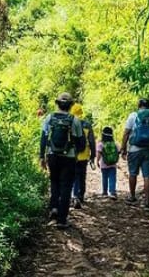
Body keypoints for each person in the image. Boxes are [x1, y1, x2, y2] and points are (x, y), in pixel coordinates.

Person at [39, 92, 84, 229]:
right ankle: (62, 219)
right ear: (70, 105)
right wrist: (77, 151)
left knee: (54, 181)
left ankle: (54, 208)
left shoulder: (49, 118)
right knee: (66, 186)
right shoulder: (74, 120)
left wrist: (42, 156)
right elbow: (80, 142)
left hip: (52, 155)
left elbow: (44, 138)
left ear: (57, 103)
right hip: (68, 157)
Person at [120, 98, 149, 211]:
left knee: (133, 173)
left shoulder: (133, 116)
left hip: (134, 149)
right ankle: (147, 202)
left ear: (138, 106)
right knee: (147, 176)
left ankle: (132, 197)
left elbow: (126, 133)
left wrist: (123, 148)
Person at [70, 103, 95, 208]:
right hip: (84, 154)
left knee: (73, 176)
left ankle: (73, 196)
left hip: (72, 155)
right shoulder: (87, 124)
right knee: (82, 175)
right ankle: (81, 195)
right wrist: (93, 155)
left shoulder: (70, 123)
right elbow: (91, 141)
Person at [96, 125, 120, 199]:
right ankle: (112, 192)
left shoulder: (100, 144)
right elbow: (119, 152)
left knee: (104, 178)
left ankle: (105, 192)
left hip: (104, 165)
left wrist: (97, 161)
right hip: (113, 165)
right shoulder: (115, 144)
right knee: (112, 178)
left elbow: (99, 154)